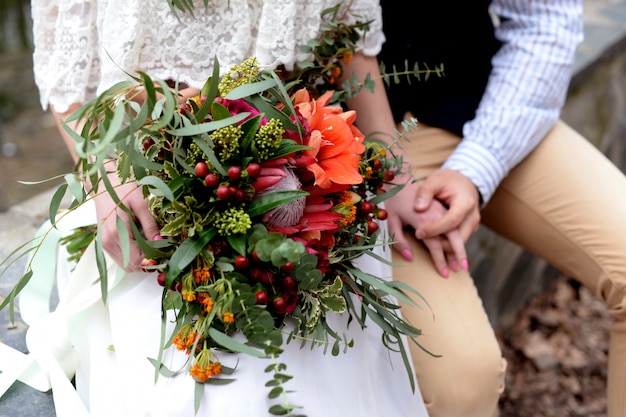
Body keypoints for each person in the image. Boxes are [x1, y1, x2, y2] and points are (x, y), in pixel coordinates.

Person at [10, 0, 433, 416]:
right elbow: (67, 81)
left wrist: (389, 169)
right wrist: (105, 169)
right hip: (149, 185)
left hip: (305, 166)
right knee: (217, 393)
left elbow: (352, 37)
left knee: (336, 376)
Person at [342, 0, 626, 417]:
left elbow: (545, 21)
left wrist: (477, 167)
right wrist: (386, 169)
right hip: (358, 143)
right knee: (461, 387)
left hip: (484, 105)